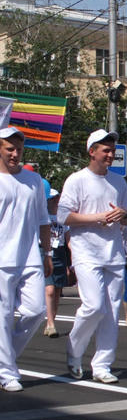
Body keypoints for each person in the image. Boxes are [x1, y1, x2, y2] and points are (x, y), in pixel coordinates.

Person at [57, 129, 127, 383]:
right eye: (105, 150)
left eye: (112, 150)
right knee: (94, 306)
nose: (110, 155)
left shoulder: (119, 182)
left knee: (111, 312)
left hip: (113, 253)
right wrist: (97, 217)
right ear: (92, 151)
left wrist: (122, 214)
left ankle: (102, 365)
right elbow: (63, 216)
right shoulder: (76, 180)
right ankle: (75, 350)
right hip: (86, 251)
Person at [0, 127, 52, 392]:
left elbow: (44, 219)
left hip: (30, 255)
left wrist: (47, 252)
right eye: (10, 148)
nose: (15, 154)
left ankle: (5, 358)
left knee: (36, 311)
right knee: (3, 316)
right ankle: (7, 372)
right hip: (2, 259)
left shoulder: (34, 181)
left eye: (19, 149)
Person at [44, 187, 69, 338]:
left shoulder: (62, 218)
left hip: (60, 253)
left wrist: (73, 257)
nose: (54, 201)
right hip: (46, 252)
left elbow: (68, 240)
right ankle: (51, 324)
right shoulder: (43, 216)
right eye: (52, 199)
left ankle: (50, 322)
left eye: (56, 199)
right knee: (50, 290)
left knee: (58, 290)